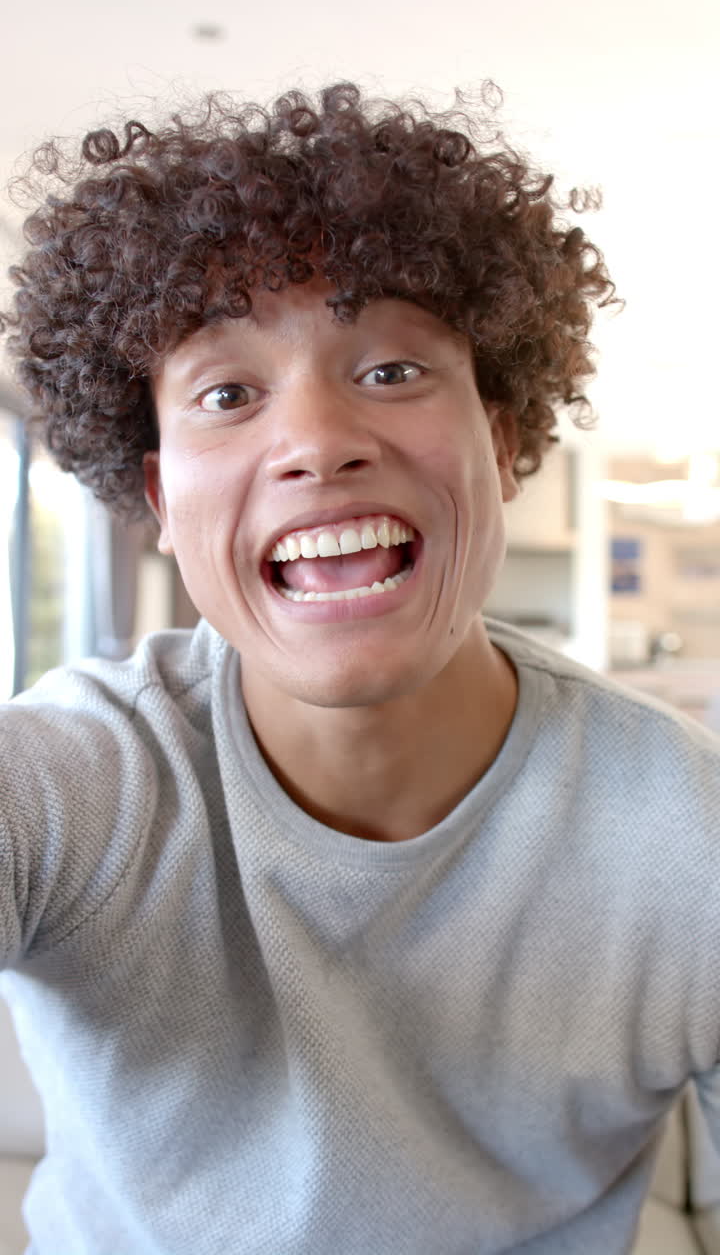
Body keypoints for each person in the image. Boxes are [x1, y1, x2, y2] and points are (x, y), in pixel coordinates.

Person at [0, 81, 718, 1255]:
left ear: (508, 437)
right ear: (158, 503)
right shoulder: (77, 778)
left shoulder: (692, 836)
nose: (318, 440)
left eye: (389, 369)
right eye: (227, 393)